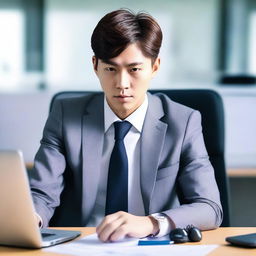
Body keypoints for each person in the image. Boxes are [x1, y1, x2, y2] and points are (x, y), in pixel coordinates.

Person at [29, 8, 223, 242]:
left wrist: (151, 223)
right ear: (95, 66)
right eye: (111, 69)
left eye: (134, 69)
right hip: (81, 244)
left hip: (152, 244)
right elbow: (41, 193)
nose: (122, 83)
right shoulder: (65, 115)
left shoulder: (183, 122)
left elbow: (209, 207)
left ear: (155, 67)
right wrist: (32, 217)